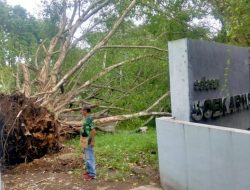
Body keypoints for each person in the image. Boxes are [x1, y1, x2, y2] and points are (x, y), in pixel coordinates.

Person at [80, 105, 96, 180]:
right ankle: (89, 170)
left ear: (85, 111)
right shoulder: (86, 118)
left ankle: (92, 174)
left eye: (82, 110)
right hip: (85, 139)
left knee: (89, 156)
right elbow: (86, 128)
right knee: (87, 155)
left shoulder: (89, 119)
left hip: (89, 140)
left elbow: (93, 130)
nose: (81, 111)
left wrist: (93, 141)